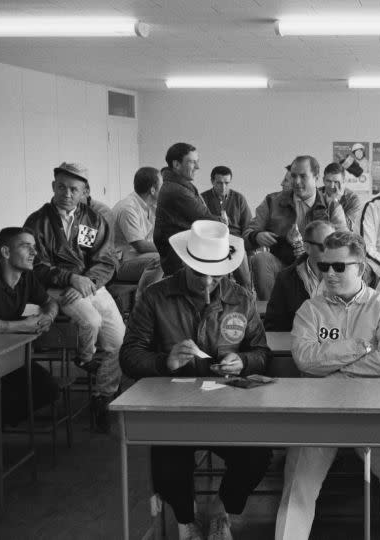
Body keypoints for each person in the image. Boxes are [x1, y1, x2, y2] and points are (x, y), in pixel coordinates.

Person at [121, 219, 272, 540]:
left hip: (229, 406)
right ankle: (185, 517)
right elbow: (129, 357)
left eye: (215, 275)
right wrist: (165, 361)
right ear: (185, 264)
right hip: (174, 408)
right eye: (199, 274)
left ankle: (221, 509)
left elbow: (261, 353)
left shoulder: (241, 298)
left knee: (258, 456)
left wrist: (242, 360)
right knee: (165, 460)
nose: (207, 284)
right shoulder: (155, 297)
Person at [275, 231, 380, 540]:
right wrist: (360, 347)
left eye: (339, 267)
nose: (329, 273)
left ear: (361, 267)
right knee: (297, 481)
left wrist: (331, 366)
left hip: (374, 411)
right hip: (319, 413)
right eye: (324, 266)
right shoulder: (310, 310)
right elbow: (305, 360)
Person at [24, 162, 124, 432]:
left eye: (73, 189)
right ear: (53, 187)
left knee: (120, 340)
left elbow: (105, 261)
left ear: (84, 192)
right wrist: (69, 278)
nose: (66, 194)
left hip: (89, 285)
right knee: (90, 320)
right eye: (61, 187)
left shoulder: (92, 220)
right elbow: (35, 264)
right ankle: (85, 357)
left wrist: (87, 281)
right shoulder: (38, 222)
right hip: (57, 287)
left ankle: (102, 396)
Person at [0, 227, 60, 425]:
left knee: (48, 389)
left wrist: (48, 317)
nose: (34, 253)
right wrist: (22, 325)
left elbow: (50, 302)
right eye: (26, 247)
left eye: (34, 247)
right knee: (4, 398)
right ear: (6, 252)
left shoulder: (27, 277)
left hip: (9, 355)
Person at [247, 155, 347, 300]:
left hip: (319, 268)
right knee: (261, 259)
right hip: (281, 264)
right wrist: (256, 236)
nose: (297, 182)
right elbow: (248, 233)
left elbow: (344, 243)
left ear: (316, 177)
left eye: (303, 176)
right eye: (293, 176)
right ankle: (269, 313)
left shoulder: (332, 206)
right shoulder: (272, 201)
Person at [154, 142, 224, 275]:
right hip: (182, 257)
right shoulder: (177, 191)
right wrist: (222, 222)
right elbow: (207, 220)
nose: (197, 167)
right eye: (192, 162)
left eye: (197, 162)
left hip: (185, 252)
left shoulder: (177, 186)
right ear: (176, 164)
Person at [263, 220, 334, 332]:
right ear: (307, 248)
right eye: (325, 246)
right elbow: (274, 326)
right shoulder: (286, 279)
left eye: (335, 245)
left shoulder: (346, 275)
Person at [111, 166, 164, 302]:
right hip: (120, 263)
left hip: (137, 257)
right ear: (153, 190)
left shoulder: (152, 206)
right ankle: (144, 303)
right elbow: (140, 245)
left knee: (173, 259)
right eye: (162, 185)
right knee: (162, 260)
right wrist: (170, 248)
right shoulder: (128, 208)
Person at [320, 162, 363, 230]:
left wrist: (335, 202)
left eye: (336, 182)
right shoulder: (316, 194)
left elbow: (348, 227)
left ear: (343, 181)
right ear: (323, 180)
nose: (332, 186)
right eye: (328, 181)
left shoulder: (353, 199)